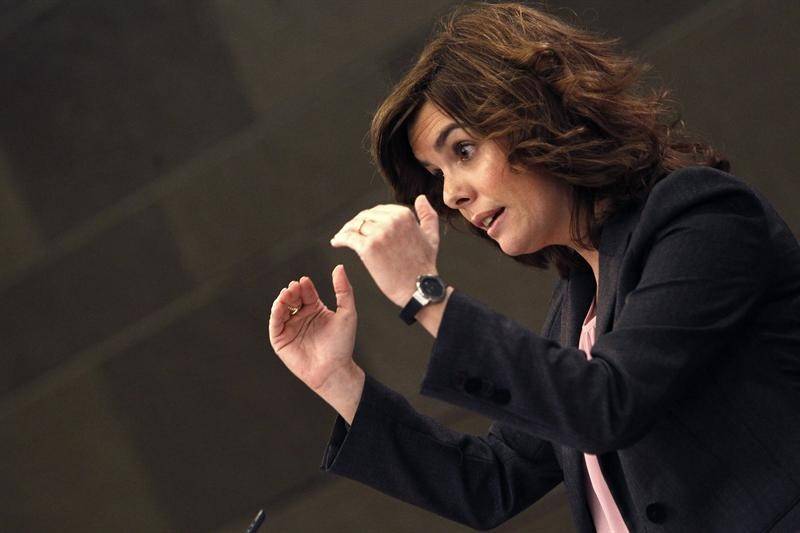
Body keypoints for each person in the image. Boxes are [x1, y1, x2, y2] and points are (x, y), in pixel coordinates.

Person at [268, 3, 800, 531]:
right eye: (437, 172)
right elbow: (492, 481)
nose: (450, 194)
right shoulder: (577, 300)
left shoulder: (702, 215)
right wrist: (339, 379)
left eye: (464, 150)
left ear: (538, 118)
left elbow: (607, 404)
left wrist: (423, 292)